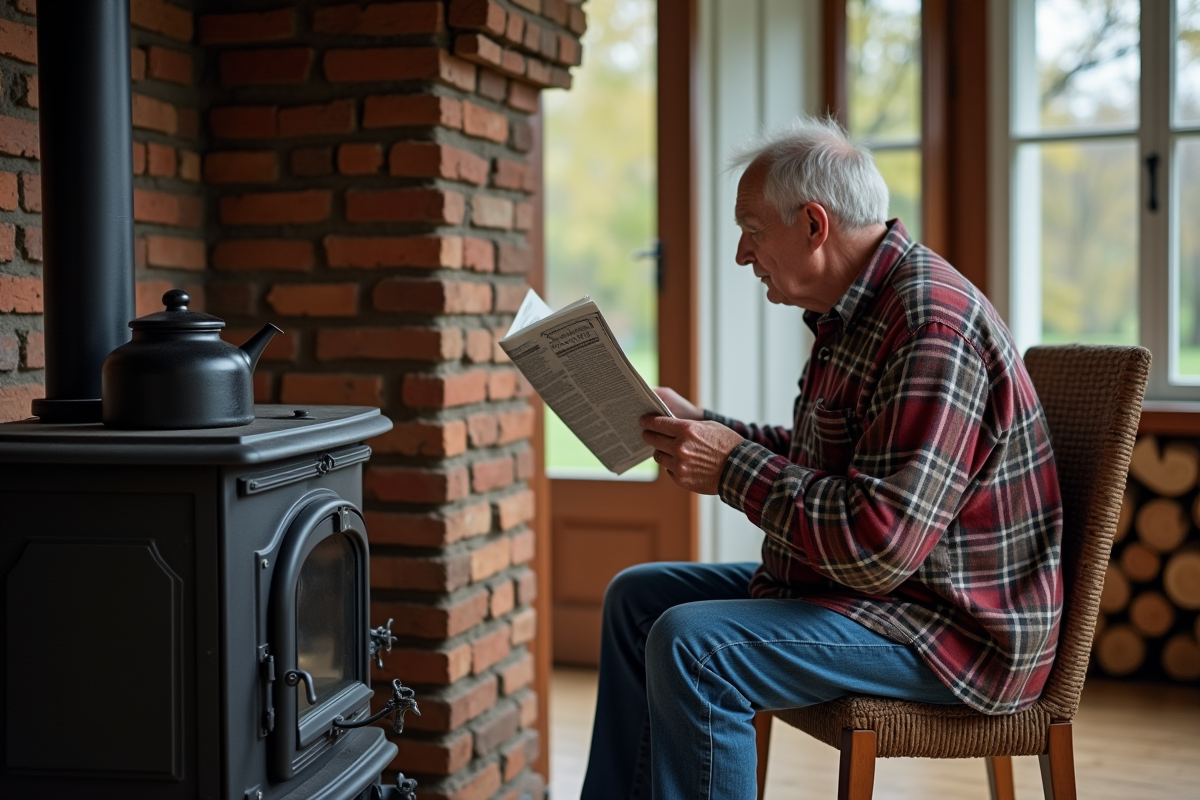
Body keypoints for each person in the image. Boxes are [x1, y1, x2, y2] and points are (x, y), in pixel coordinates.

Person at [579, 116, 1063, 800]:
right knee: (638, 599)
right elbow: (828, 461)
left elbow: (879, 547)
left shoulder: (930, 327)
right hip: (884, 599)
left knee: (696, 648)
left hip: (948, 628)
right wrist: (707, 428)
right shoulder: (857, 313)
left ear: (813, 224)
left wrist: (731, 469)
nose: (743, 256)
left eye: (751, 230)